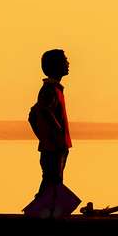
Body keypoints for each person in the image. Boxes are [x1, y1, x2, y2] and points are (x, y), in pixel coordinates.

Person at [30, 49, 72, 199]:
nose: (68, 63)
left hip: (56, 146)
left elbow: (33, 114)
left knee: (53, 184)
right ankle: (39, 215)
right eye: (64, 60)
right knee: (52, 184)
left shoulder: (54, 89)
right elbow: (41, 113)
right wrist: (55, 134)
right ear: (56, 66)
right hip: (54, 147)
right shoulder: (49, 90)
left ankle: (45, 215)